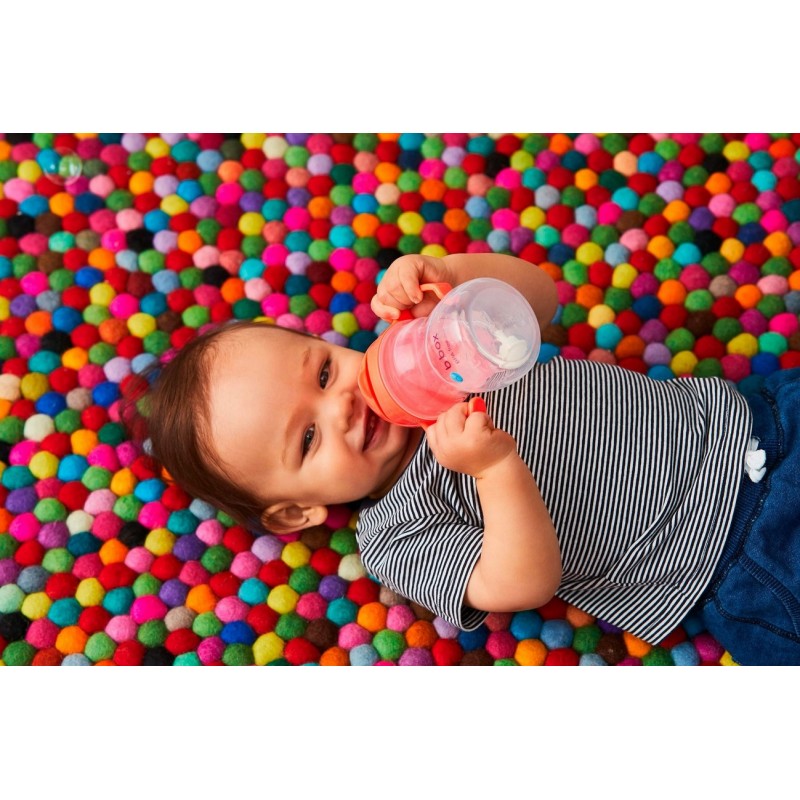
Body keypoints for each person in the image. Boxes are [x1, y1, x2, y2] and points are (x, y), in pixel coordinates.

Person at [123, 252, 800, 666]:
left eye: (324, 372)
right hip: (736, 555)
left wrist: (454, 280)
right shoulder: (394, 533)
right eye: (307, 440)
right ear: (296, 511)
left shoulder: (426, 353)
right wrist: (496, 472)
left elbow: (538, 298)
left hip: (758, 416)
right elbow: (521, 583)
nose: (343, 406)